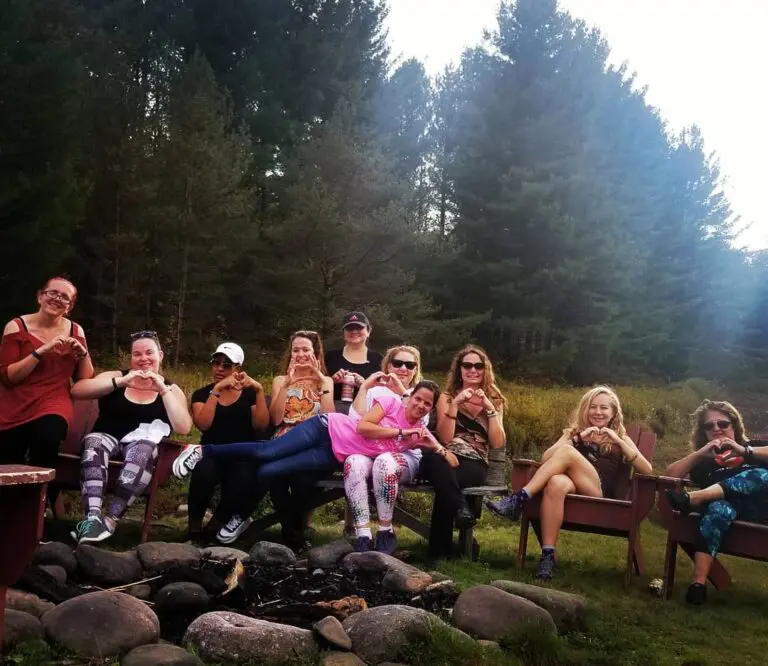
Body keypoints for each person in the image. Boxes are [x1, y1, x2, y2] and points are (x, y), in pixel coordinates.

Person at [172, 380, 452, 556]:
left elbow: (451, 460)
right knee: (268, 451)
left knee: (268, 471)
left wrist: (436, 447)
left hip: (332, 454)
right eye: (418, 398)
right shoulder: (391, 403)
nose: (420, 405)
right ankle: (202, 450)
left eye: (427, 404)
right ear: (410, 396)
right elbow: (364, 427)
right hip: (325, 428)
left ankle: (243, 517)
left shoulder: (418, 431)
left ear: (430, 410)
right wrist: (401, 432)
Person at [487, 385, 652, 579]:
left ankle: (519, 499)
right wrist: (577, 438)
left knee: (566, 452)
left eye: (604, 407)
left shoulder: (621, 437)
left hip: (597, 492)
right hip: (572, 487)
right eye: (593, 407)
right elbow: (546, 458)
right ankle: (548, 556)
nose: (598, 412)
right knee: (556, 483)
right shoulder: (573, 433)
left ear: (613, 412)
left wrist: (618, 440)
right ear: (585, 409)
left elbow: (647, 469)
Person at [213, 330, 335, 546]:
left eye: (305, 350)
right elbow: (277, 419)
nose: (300, 354)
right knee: (275, 477)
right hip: (284, 440)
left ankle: (290, 532)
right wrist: (288, 385)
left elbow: (329, 420)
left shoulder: (325, 381)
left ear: (315, 353)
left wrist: (321, 383)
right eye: (296, 350)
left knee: (302, 481)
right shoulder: (280, 380)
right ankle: (288, 535)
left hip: (313, 444)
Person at [69, 330, 192, 543]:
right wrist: (121, 381)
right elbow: (78, 390)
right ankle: (92, 519)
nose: (143, 358)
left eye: (149, 353)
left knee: (143, 449)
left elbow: (183, 427)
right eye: (137, 354)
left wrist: (163, 390)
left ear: (160, 355)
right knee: (94, 441)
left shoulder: (171, 389)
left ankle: (110, 521)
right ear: (131, 357)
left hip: (140, 447)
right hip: (107, 438)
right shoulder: (116, 376)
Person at [0, 277, 94, 508]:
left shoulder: (75, 330)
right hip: (15, 400)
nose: (57, 299)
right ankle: (10, 510)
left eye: (64, 297)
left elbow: (85, 377)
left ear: (69, 306)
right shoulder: (17, 326)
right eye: (53, 293)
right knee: (8, 455)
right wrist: (40, 352)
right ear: (40, 296)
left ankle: (36, 508)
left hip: (54, 400)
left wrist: (82, 353)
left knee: (47, 437)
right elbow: (9, 378)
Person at [665, 400, 768, 605]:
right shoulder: (704, 463)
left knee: (761, 474)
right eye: (709, 426)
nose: (716, 429)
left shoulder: (752, 449)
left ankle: (695, 498)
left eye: (723, 423)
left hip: (760, 510)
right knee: (717, 509)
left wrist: (744, 451)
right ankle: (698, 585)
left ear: (734, 425)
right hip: (728, 511)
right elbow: (670, 475)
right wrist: (699, 453)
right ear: (703, 432)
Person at [421, 345, 506, 560]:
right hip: (447, 455)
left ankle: (437, 554)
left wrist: (489, 408)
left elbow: (497, 442)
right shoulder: (447, 397)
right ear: (459, 369)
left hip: (474, 463)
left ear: (485, 369)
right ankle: (461, 509)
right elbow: (445, 438)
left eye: (478, 366)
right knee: (438, 464)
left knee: (443, 478)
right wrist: (456, 404)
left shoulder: (495, 400)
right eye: (467, 365)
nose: (473, 370)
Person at [344, 345, 428, 552]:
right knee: (353, 463)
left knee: (384, 462)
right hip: (369, 450)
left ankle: (385, 530)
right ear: (388, 366)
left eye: (410, 365)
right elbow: (356, 422)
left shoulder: (420, 393)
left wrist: (403, 392)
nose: (403, 368)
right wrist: (364, 388)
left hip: (403, 456)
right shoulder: (375, 391)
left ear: (416, 369)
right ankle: (362, 534)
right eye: (397, 363)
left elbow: (419, 425)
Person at [184, 342, 269, 543]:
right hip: (212, 451)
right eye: (216, 363)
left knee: (242, 477)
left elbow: (261, 425)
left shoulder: (249, 394)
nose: (220, 369)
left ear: (237, 369)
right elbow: (203, 424)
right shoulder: (202, 394)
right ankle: (194, 527)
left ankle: (215, 525)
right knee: (203, 472)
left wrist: (259, 391)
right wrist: (216, 390)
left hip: (241, 454)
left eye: (227, 365)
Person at [324, 312, 383, 402]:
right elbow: (318, 389)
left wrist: (365, 385)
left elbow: (383, 392)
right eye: (349, 328)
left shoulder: (378, 359)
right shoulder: (330, 357)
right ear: (343, 333)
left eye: (359, 327)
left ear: (368, 331)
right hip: (333, 408)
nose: (354, 331)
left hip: (366, 408)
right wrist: (331, 382)